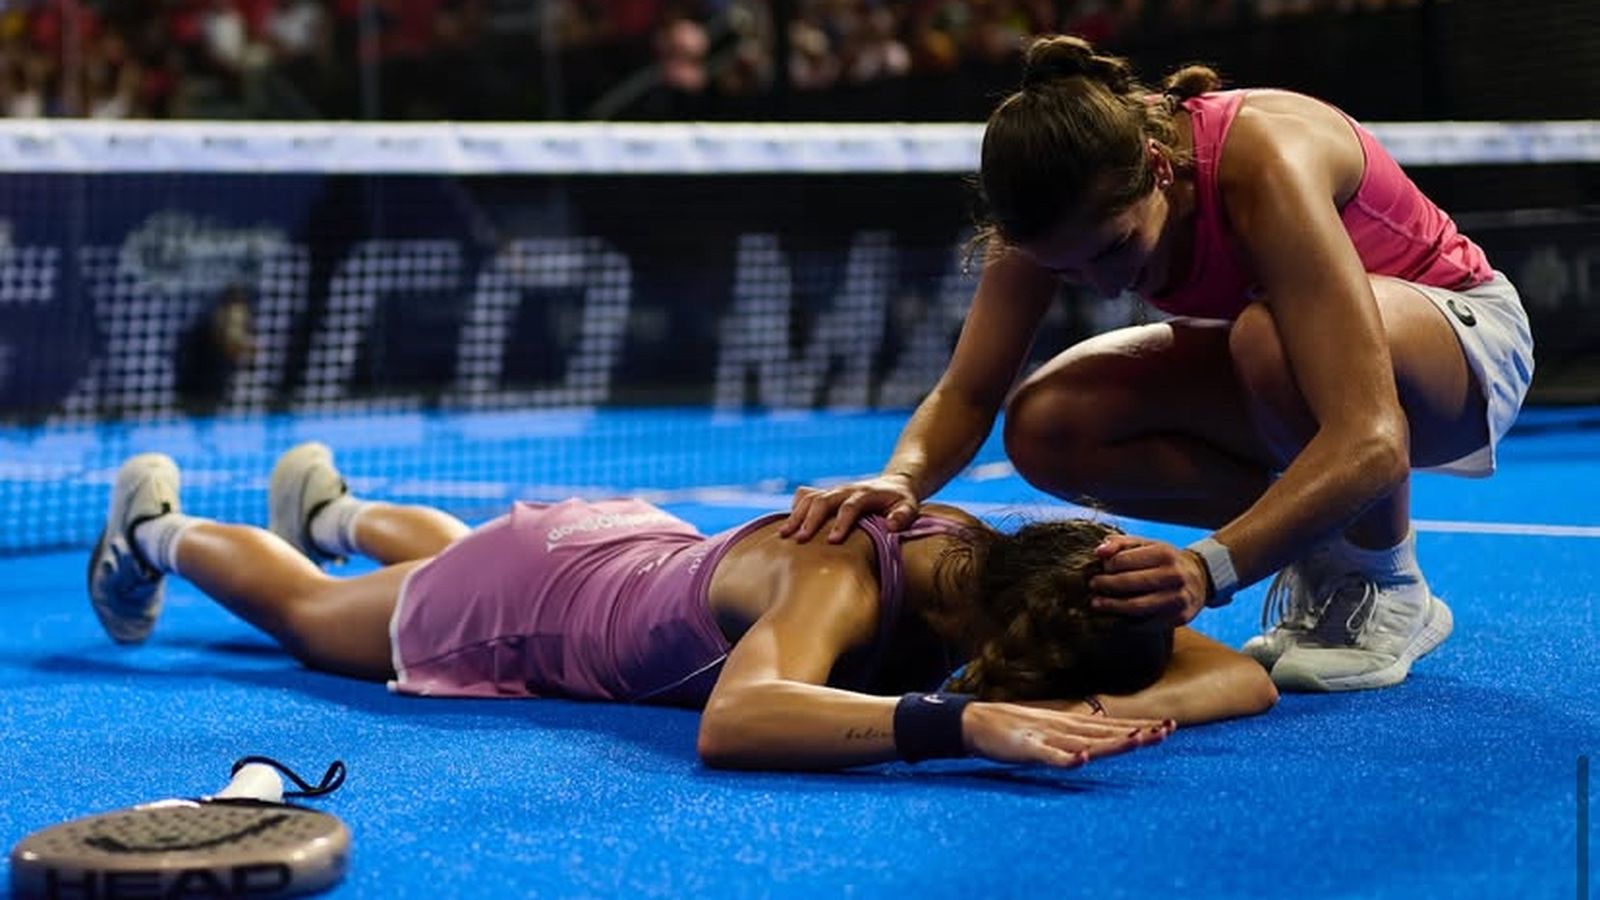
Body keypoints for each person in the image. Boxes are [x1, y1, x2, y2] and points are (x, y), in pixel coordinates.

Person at [783, 35, 1534, 693]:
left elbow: (1372, 436)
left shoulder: (1262, 163)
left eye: (1114, 251)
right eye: (1072, 272)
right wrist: (901, 479)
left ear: (1158, 167)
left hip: (1463, 348)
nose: (1108, 285)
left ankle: (1388, 584)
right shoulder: (1053, 208)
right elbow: (970, 390)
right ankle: (1323, 544)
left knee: (1266, 340)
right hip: (1298, 367)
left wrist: (1209, 568)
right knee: (1050, 425)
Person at [87, 443, 1277, 773]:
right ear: (990, 642)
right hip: (536, 603)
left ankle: (339, 505)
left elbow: (1243, 675)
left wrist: (1093, 700)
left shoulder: (990, 560)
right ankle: (155, 528)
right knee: (308, 621)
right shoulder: (836, 585)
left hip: (629, 547)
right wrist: (957, 725)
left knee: (440, 559)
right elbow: (739, 719)